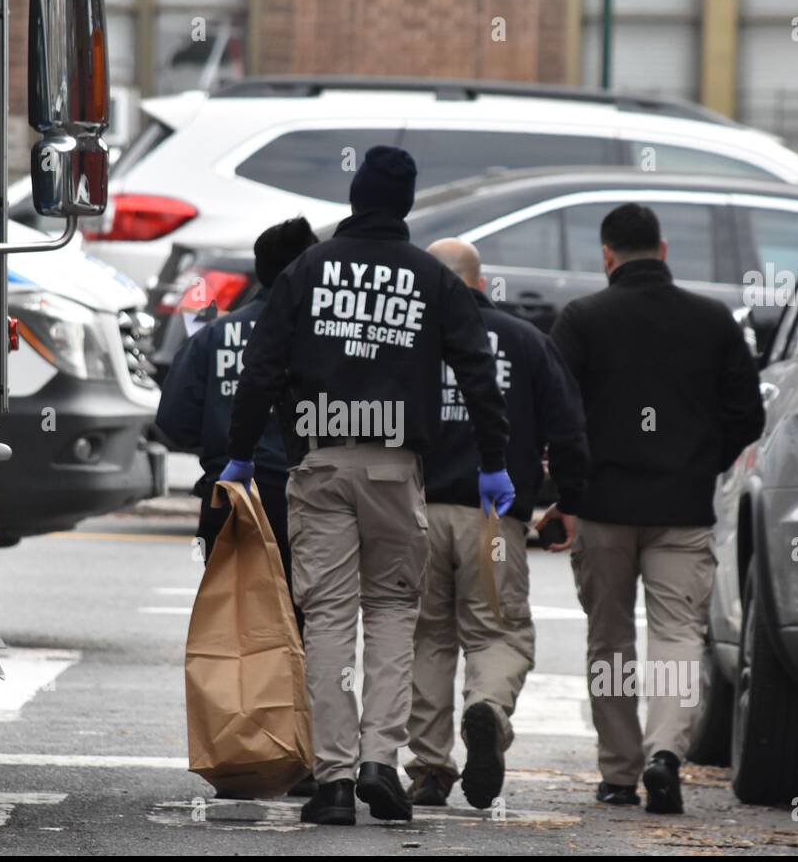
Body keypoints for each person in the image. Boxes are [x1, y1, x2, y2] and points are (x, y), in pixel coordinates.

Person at [224, 146, 512, 825]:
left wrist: (239, 454)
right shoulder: (431, 278)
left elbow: (261, 365)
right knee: (390, 612)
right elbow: (476, 368)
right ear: (407, 205)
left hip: (321, 461)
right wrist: (493, 460)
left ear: (353, 197)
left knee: (326, 617)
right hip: (396, 465)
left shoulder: (306, 269)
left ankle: (331, 781)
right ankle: (382, 762)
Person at [541, 203, 764, 814]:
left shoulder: (583, 318)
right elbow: (748, 414)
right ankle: (666, 754)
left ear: (607, 255)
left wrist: (567, 491)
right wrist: (699, 459)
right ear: (663, 251)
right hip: (683, 506)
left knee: (609, 638)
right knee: (676, 634)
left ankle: (619, 772)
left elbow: (556, 413)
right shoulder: (712, 319)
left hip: (603, 507)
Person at [405, 238, 589, 810]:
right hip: (495, 520)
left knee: (425, 638)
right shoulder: (526, 342)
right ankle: (486, 708)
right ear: (480, 283)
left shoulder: (407, 339)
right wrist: (571, 499)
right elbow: (567, 427)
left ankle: (430, 767)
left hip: (416, 514)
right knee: (499, 631)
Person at [155, 217, 319, 619]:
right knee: (306, 621)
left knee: (233, 625)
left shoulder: (212, 336)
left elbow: (173, 421)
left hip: (227, 497)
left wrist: (217, 442)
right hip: (305, 498)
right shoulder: (321, 338)